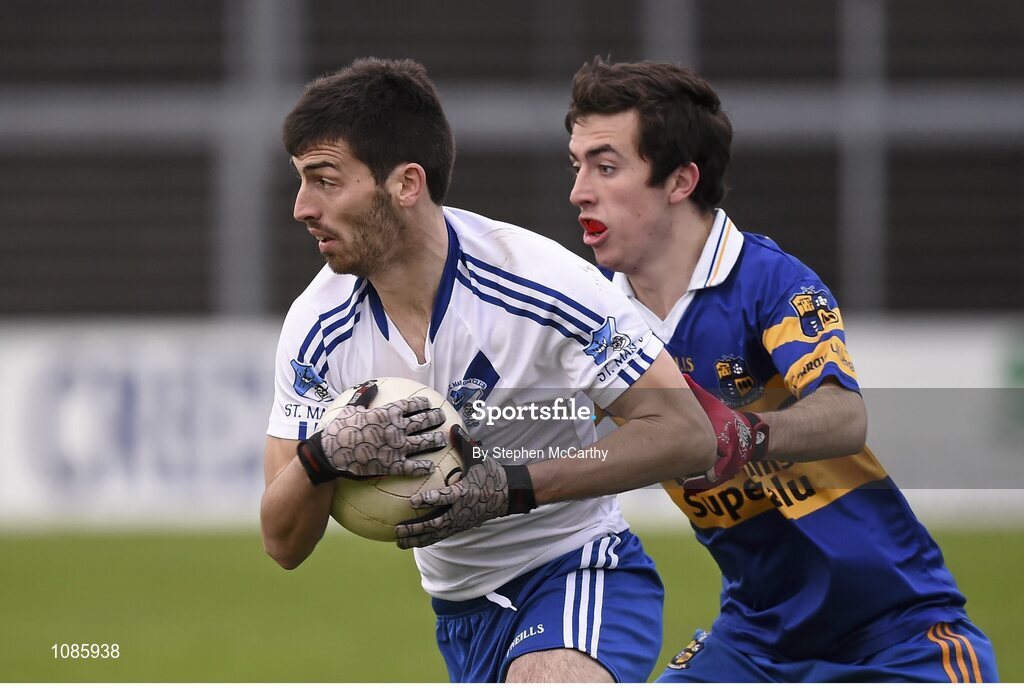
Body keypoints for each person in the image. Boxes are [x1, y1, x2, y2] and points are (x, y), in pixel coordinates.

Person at [259, 57, 730, 683]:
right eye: (301, 181)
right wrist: (324, 456)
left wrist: (513, 486)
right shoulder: (315, 329)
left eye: (324, 180)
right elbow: (283, 542)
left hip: (576, 571)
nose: (301, 207)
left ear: (405, 184)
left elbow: (686, 433)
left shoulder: (542, 283)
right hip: (460, 615)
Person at [559, 56, 999, 682]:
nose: (579, 190)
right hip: (753, 640)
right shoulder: (590, 315)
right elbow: (531, 415)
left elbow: (844, 416)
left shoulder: (769, 282)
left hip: (895, 634)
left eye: (605, 166)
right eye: (576, 167)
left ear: (680, 181)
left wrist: (744, 434)